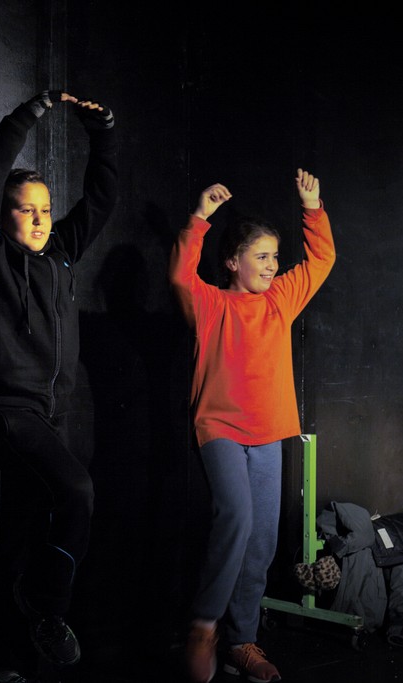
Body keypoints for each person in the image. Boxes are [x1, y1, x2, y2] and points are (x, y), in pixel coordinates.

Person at [0, 90, 117, 683]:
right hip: (3, 412)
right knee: (77, 490)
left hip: (50, 416)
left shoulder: (62, 256)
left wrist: (103, 134)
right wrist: (26, 116)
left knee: (19, 537)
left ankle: (5, 662)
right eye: (26, 210)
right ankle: (48, 607)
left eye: (45, 209)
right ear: (4, 216)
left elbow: (101, 198)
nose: (40, 219)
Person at [170, 170, 335, 683]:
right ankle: (204, 627)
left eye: (274, 257)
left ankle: (241, 641)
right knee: (237, 517)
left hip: (268, 432)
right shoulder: (211, 304)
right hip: (220, 428)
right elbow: (181, 276)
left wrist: (313, 208)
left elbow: (321, 260)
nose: (271, 265)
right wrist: (200, 218)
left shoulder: (280, 299)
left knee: (261, 539)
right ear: (232, 262)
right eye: (261, 256)